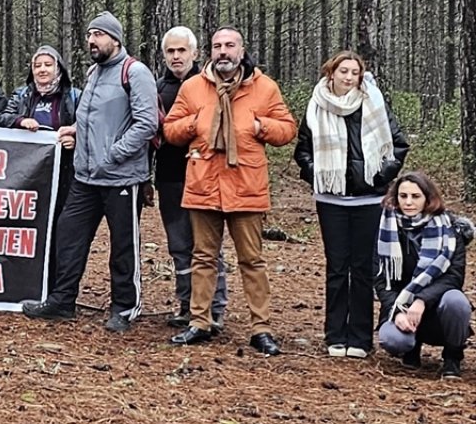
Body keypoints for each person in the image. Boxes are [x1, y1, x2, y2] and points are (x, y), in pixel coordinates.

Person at [21, 13, 158, 332]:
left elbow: (146, 123)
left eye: (98, 35)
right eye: (89, 35)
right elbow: (91, 119)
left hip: (122, 178)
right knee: (68, 234)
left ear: (116, 39)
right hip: (86, 176)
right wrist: (74, 130)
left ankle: (124, 307)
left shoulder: (135, 72)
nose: (91, 40)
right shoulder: (94, 72)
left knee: (123, 245)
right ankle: (62, 301)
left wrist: (114, 154)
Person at [165, 26, 297, 356]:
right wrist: (194, 124)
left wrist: (259, 127)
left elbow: (287, 129)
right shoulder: (193, 87)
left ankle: (261, 328)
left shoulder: (263, 88)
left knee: (252, 260)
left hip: (246, 185)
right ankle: (200, 321)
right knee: (203, 257)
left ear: (241, 49)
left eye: (229, 46)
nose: (223, 51)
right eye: (217, 46)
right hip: (204, 182)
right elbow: (170, 129)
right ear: (209, 51)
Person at [295, 50, 410, 358]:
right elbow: (302, 149)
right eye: (342, 71)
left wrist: (378, 176)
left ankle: (360, 338)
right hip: (330, 198)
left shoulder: (373, 104)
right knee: (336, 267)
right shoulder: (317, 105)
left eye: (354, 72)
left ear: (361, 76)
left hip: (368, 199)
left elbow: (398, 145)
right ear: (330, 73)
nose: (348, 77)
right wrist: (314, 172)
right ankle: (335, 334)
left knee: (362, 269)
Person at [154, 27, 228, 330]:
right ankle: (187, 305)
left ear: (195, 53)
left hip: (208, 176)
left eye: (182, 51)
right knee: (179, 245)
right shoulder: (158, 88)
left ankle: (215, 308)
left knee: (208, 246)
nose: (176, 57)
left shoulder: (212, 84)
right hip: (170, 177)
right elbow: (152, 134)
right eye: (170, 51)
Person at [0, 45, 78, 287]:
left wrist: (74, 137)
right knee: (26, 227)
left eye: (47, 65)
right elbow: (3, 118)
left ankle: (54, 284)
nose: (42, 70)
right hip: (27, 174)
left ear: (58, 68)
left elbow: (86, 124)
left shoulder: (73, 96)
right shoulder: (22, 95)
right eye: (37, 65)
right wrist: (21, 121)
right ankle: (22, 280)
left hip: (63, 172)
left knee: (59, 228)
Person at [376, 172, 472, 379]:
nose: (408, 202)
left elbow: (453, 277)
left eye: (415, 196)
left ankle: (453, 357)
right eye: (403, 196)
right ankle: (411, 349)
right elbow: (381, 279)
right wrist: (398, 312)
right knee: (392, 339)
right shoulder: (386, 228)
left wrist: (421, 300)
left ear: (428, 198)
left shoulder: (450, 230)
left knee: (457, 301)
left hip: (437, 309)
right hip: (401, 305)